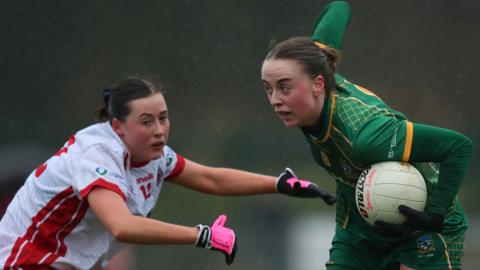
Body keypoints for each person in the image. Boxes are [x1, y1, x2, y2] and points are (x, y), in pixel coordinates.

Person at [0, 77, 336, 270]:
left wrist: (279, 184)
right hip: (23, 262)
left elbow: (211, 178)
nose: (160, 129)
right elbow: (123, 225)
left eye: (163, 117)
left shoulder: (152, 154)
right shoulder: (95, 154)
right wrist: (200, 235)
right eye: (146, 121)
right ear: (117, 126)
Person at [260, 1, 474, 270]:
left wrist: (436, 215)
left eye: (284, 87)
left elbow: (459, 146)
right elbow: (339, 8)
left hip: (423, 227)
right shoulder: (315, 63)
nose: (275, 100)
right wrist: (319, 46)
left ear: (318, 85)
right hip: (360, 234)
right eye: (268, 89)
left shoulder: (365, 137)